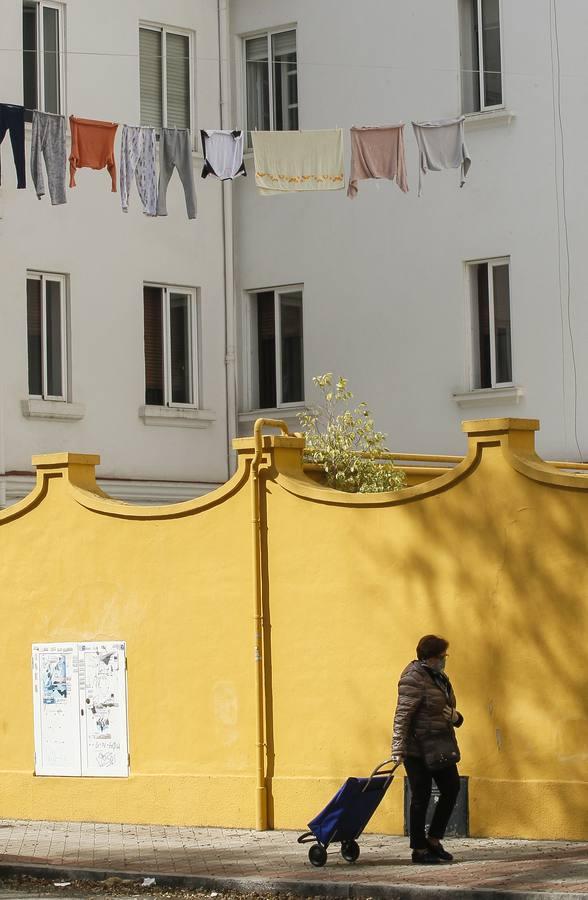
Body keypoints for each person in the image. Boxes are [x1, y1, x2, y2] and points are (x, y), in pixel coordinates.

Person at [391, 634, 463, 864]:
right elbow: (402, 715)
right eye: (442, 656)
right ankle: (419, 850)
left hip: (439, 744)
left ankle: (433, 840)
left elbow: (449, 707)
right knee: (420, 797)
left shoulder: (439, 677)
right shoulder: (413, 678)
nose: (444, 660)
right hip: (417, 748)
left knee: (452, 788)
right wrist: (397, 747)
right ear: (430, 657)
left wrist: (456, 717)